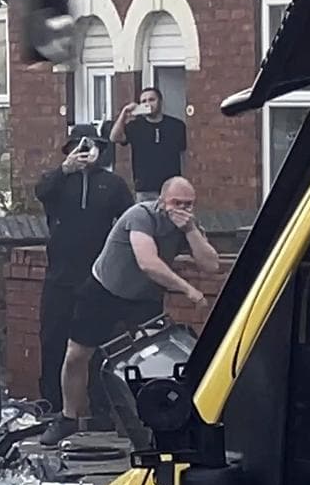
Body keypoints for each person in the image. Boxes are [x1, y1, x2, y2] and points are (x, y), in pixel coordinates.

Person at [41, 176, 219, 446]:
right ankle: (68, 417)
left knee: (151, 357)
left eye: (189, 204)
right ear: (161, 201)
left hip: (144, 297)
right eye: (176, 203)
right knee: (77, 355)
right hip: (104, 289)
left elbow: (211, 265)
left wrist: (191, 231)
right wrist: (187, 289)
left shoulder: (188, 224)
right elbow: (147, 262)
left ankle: (154, 423)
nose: (182, 209)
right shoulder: (141, 215)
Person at [34, 125, 133, 412]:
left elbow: (128, 219)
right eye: (79, 147)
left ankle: (100, 405)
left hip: (97, 276)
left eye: (90, 148)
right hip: (60, 274)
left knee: (96, 342)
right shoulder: (58, 181)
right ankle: (52, 403)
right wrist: (65, 169)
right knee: (53, 338)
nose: (85, 153)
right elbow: (41, 192)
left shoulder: (112, 184)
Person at [110, 87, 189, 201]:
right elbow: (114, 137)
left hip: (171, 186)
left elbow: (183, 156)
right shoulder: (135, 126)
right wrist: (124, 114)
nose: (148, 104)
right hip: (145, 187)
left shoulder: (176, 126)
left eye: (152, 100)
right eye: (144, 101)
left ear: (160, 102)